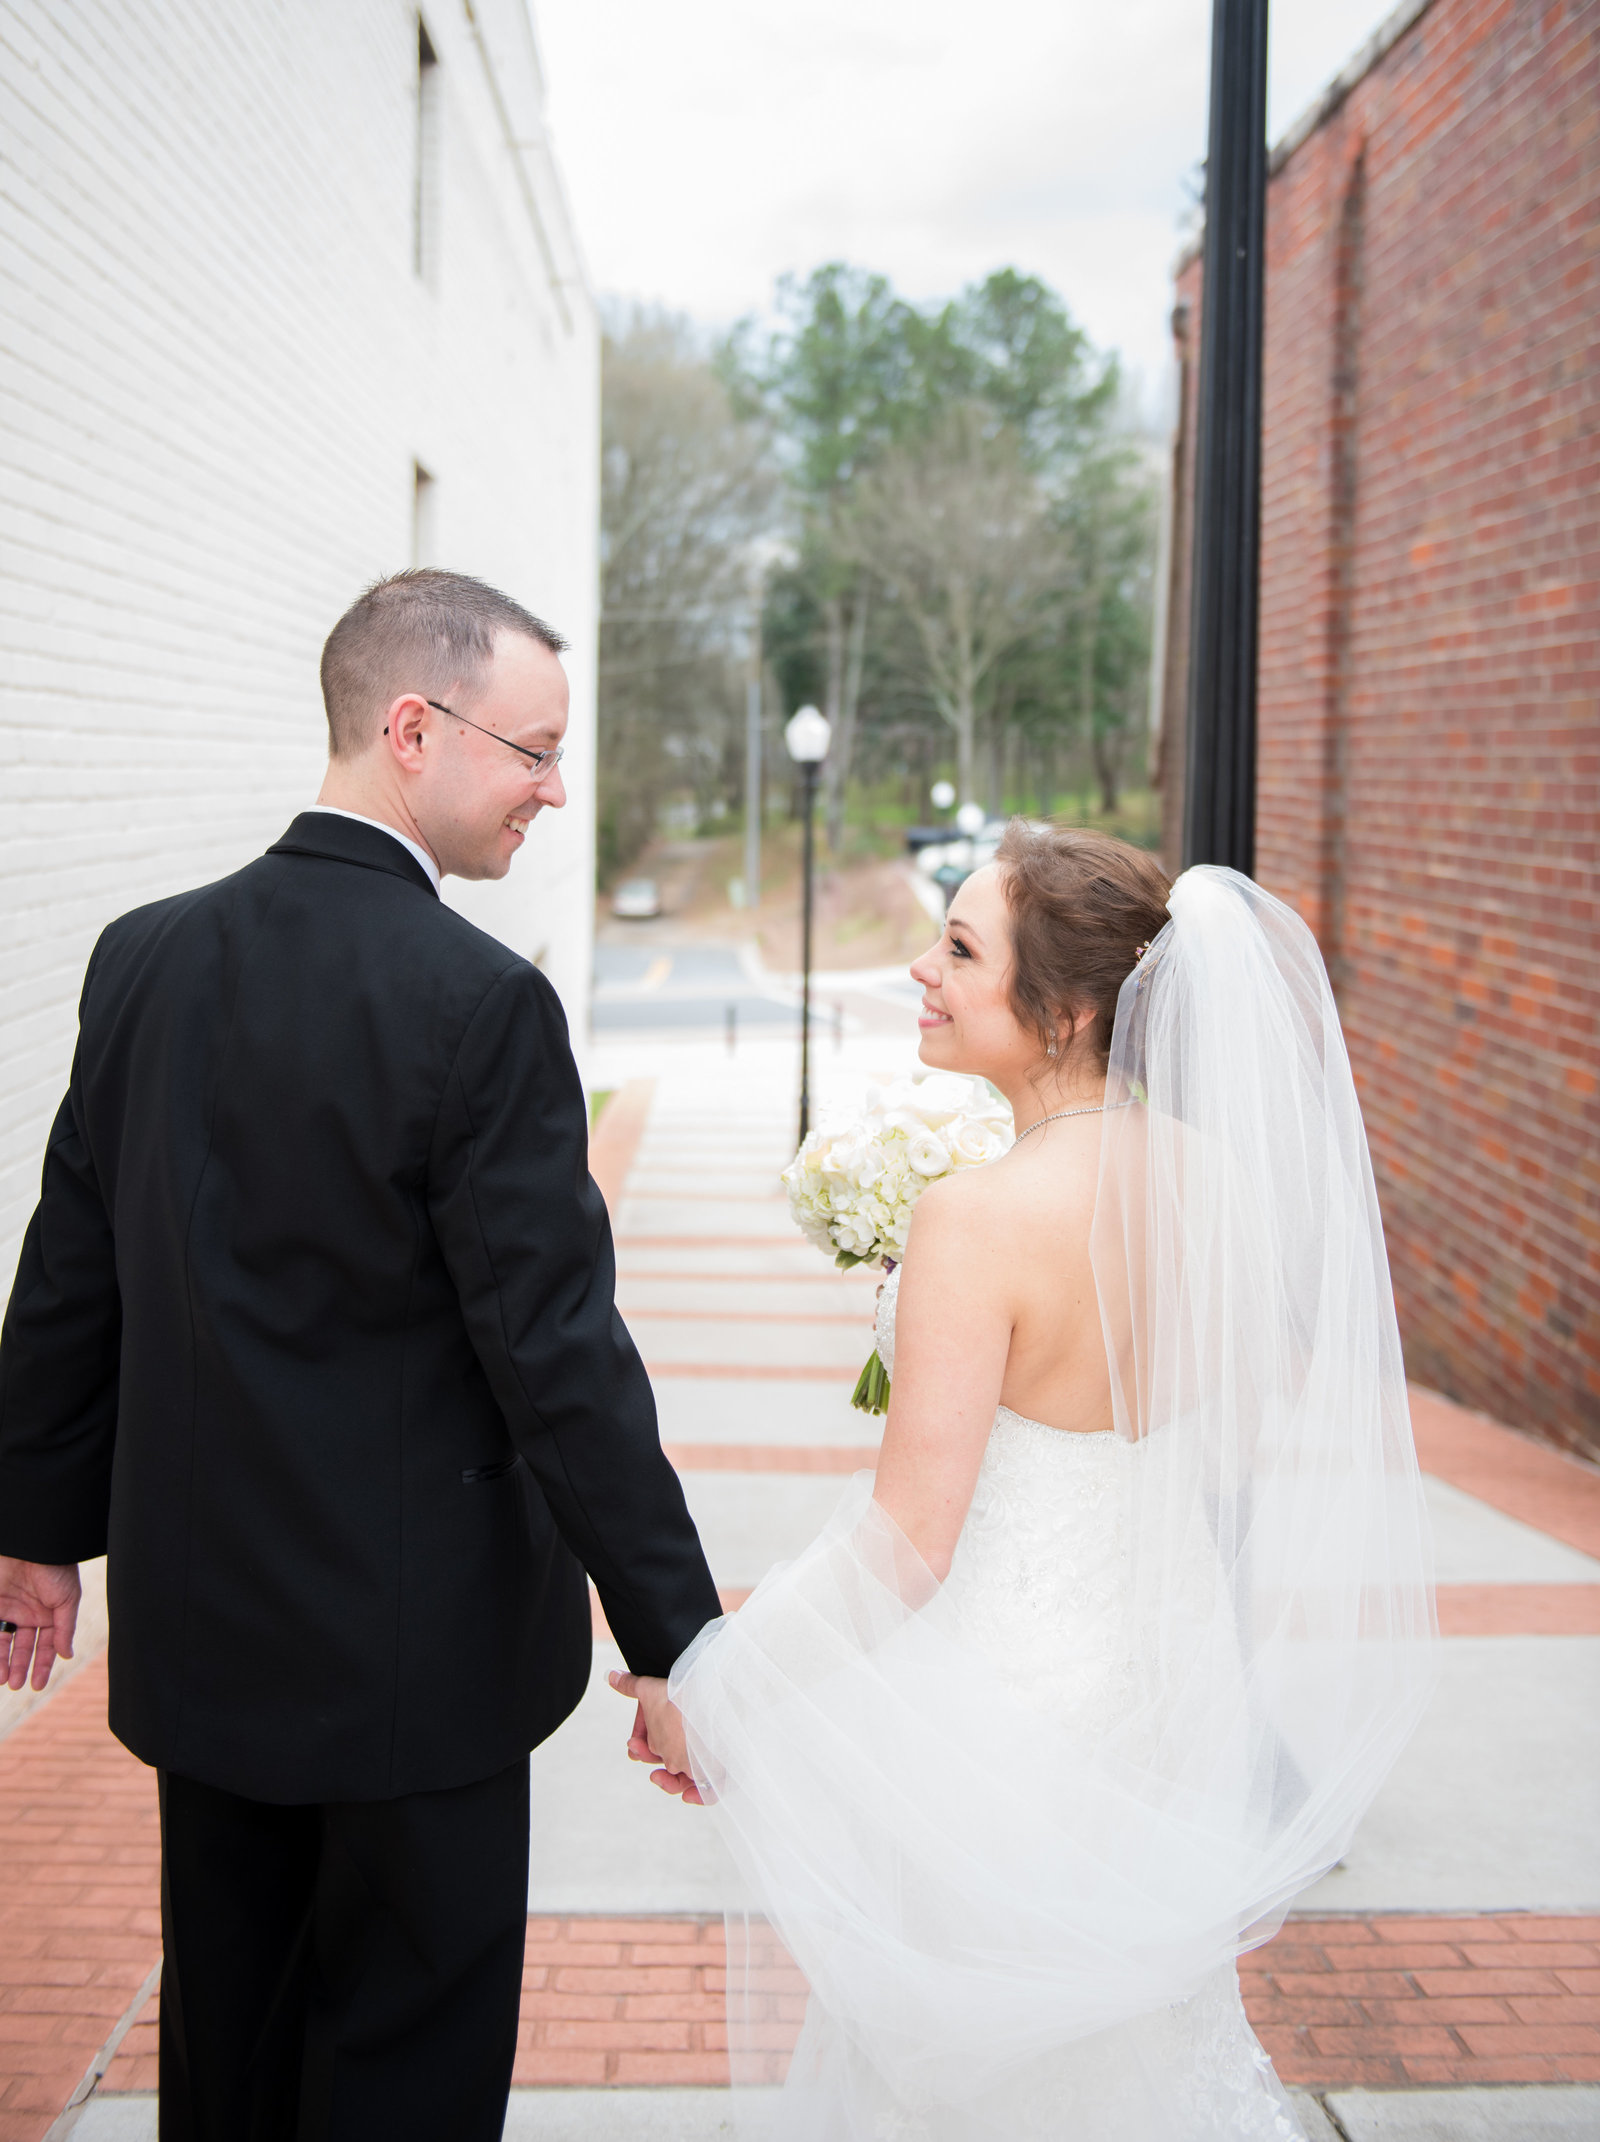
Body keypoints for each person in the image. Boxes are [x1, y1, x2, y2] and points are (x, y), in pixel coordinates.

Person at [0, 568, 722, 2141]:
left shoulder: (141, 958)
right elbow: (558, 1356)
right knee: (402, 2074)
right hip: (422, 1672)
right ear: (414, 726)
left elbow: (67, 1275)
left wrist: (37, 1532)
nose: (552, 786)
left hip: (204, 1648)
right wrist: (676, 1634)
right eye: (532, 749)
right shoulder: (481, 1004)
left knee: (231, 2052)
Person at [616, 826, 1435, 2140]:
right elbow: (1211, 1443)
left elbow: (905, 1548)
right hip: (1169, 1705)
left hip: (1005, 1718)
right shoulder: (1216, 1182)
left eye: (957, 947)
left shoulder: (976, 1218)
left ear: (1066, 1010)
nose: (921, 971)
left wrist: (717, 1686)